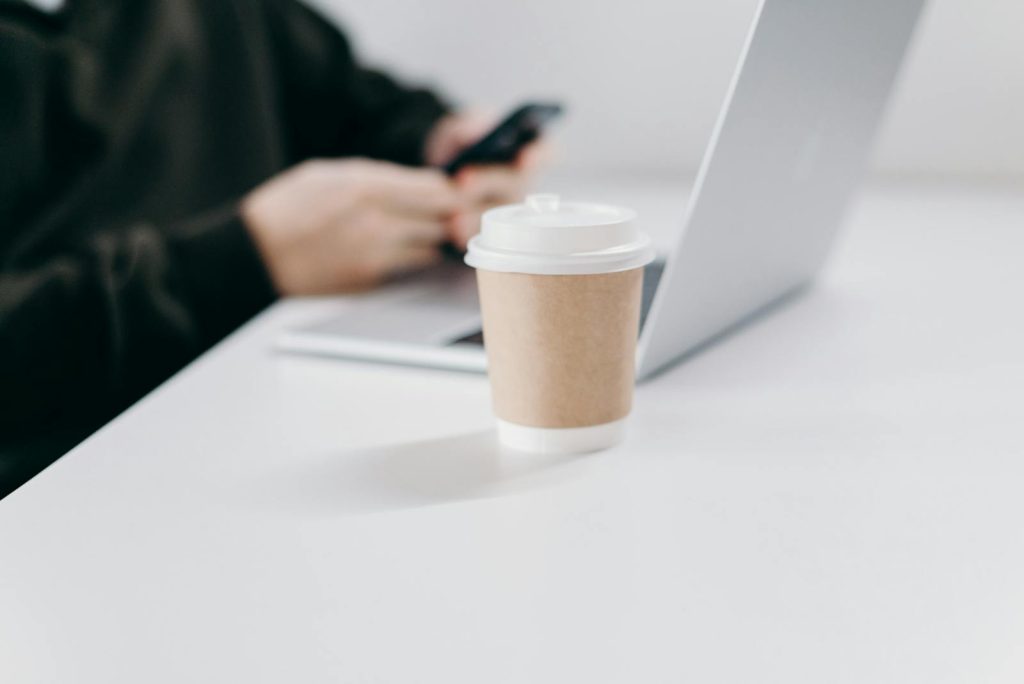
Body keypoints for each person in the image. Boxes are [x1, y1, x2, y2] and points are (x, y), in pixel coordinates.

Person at [0, 0, 543, 498]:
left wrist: (437, 145)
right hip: (67, 481)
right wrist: (245, 256)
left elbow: (352, 103)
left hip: (266, 418)